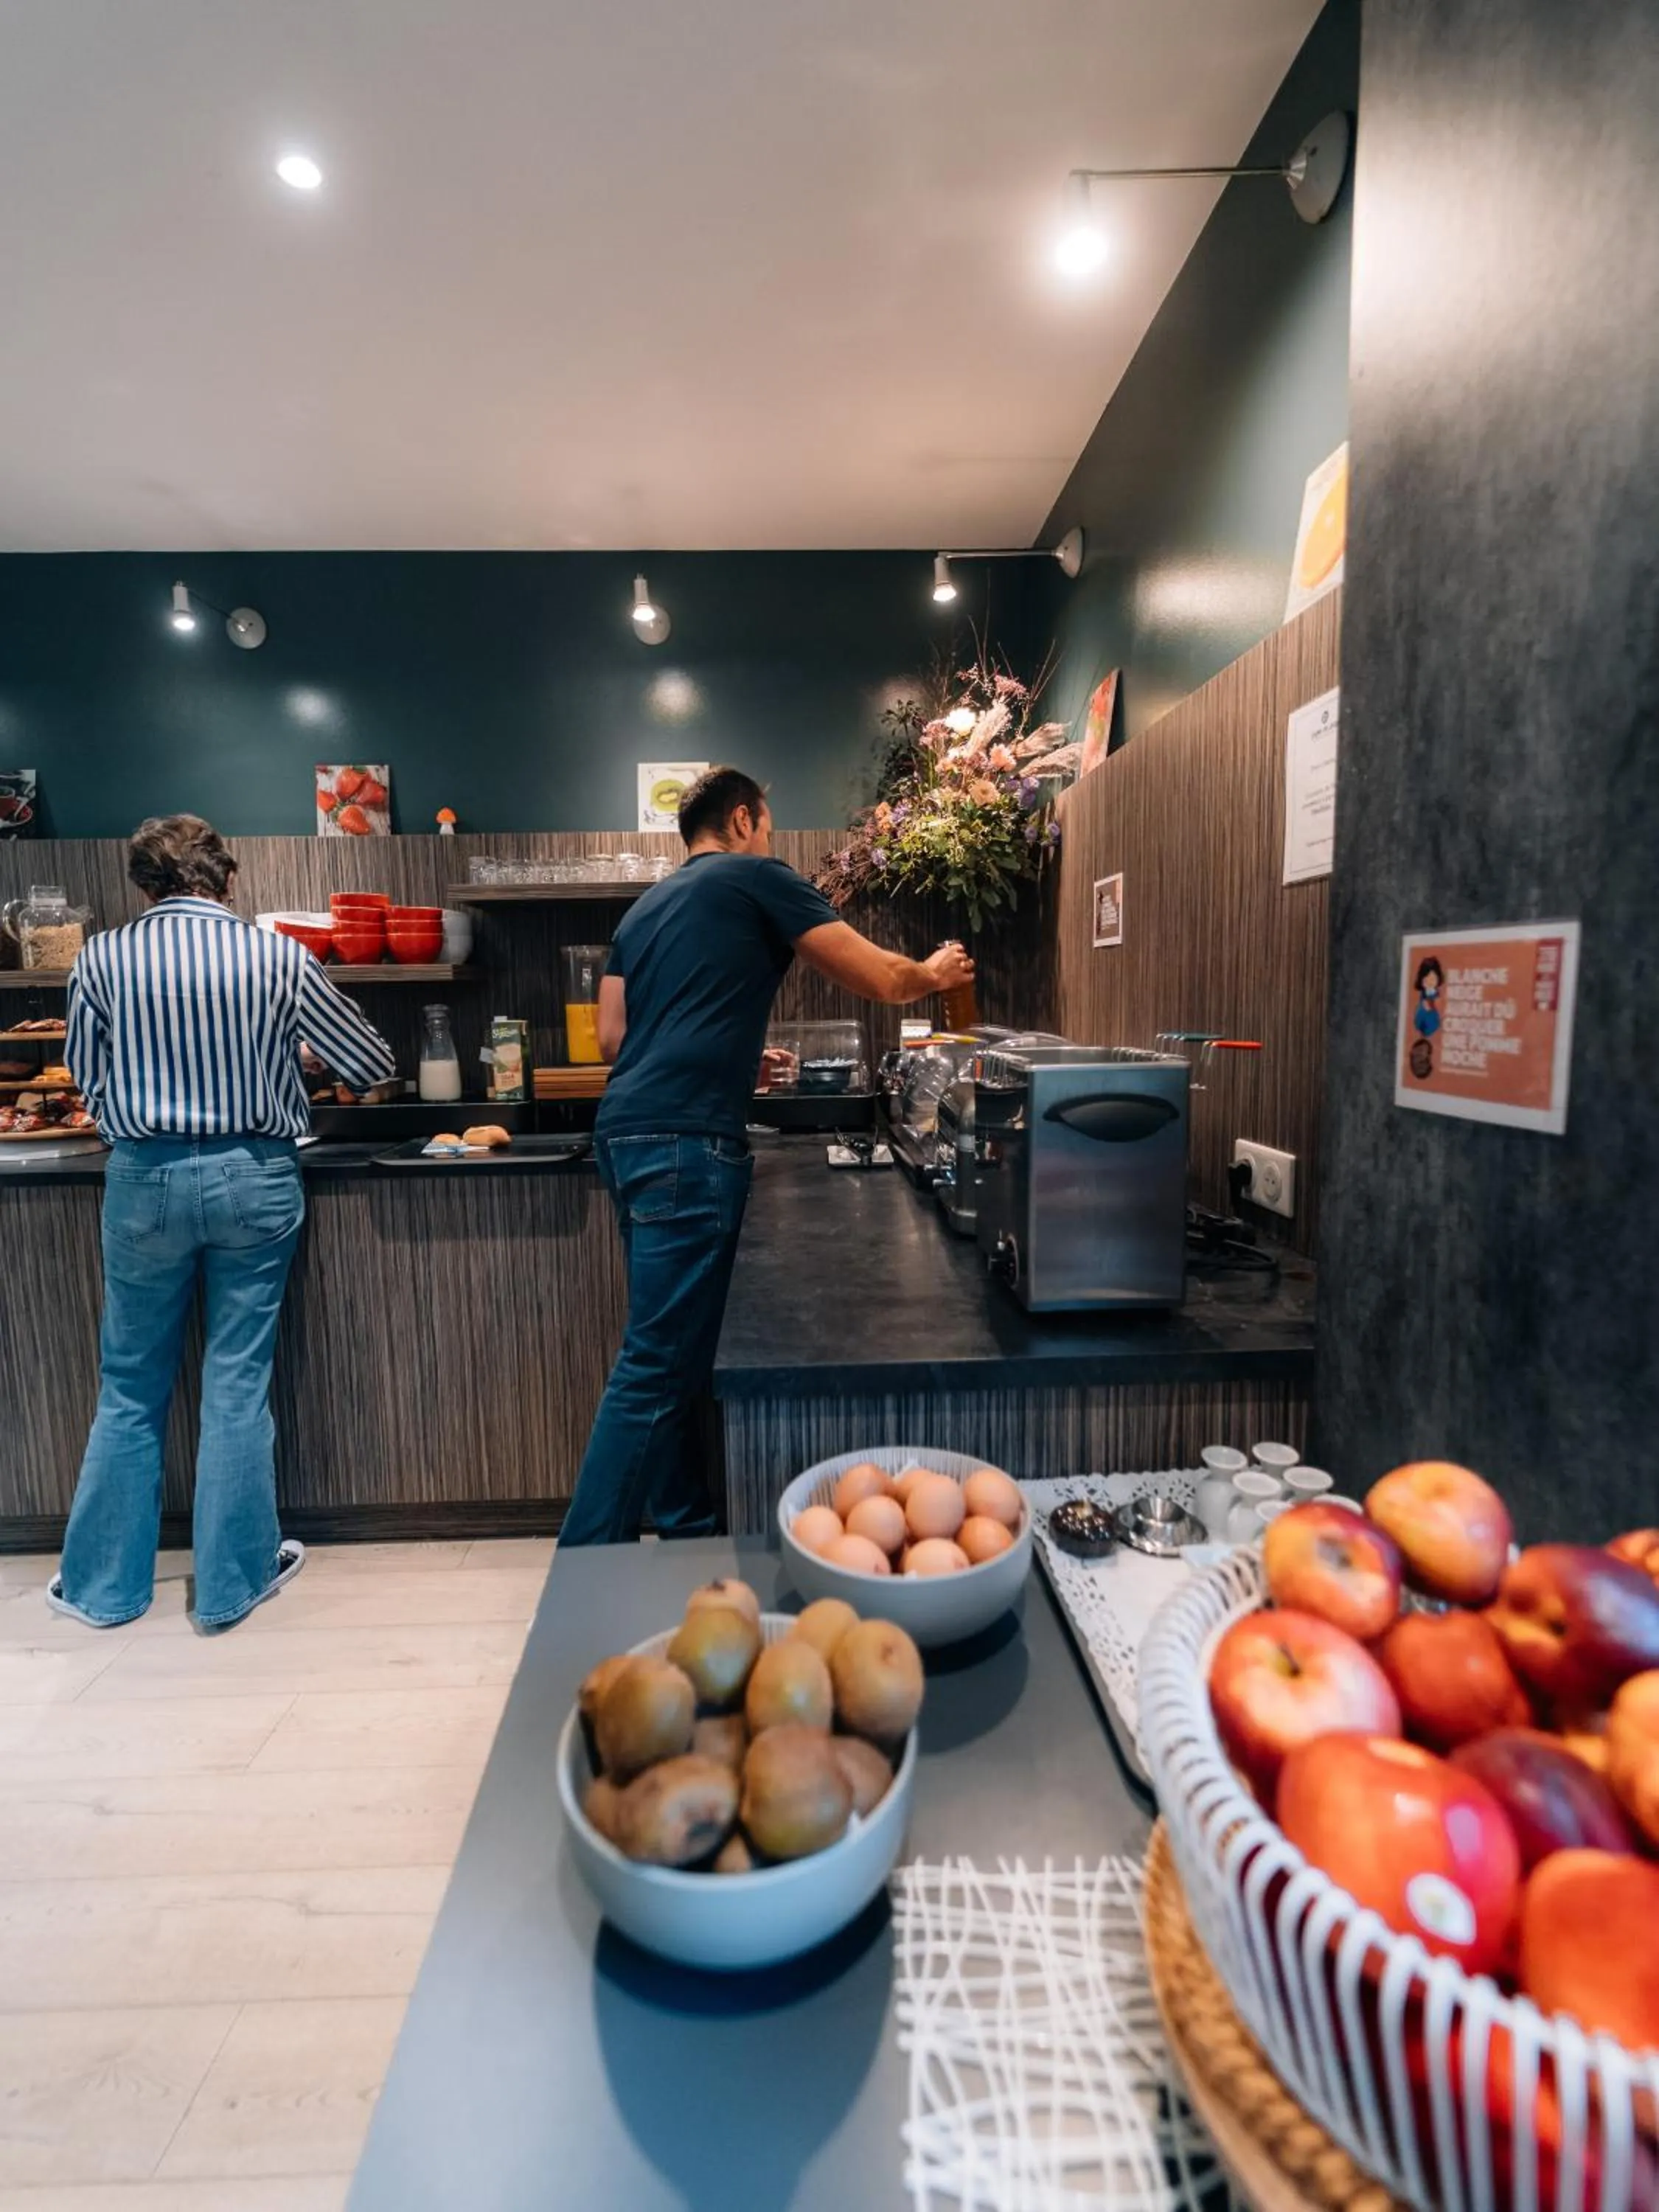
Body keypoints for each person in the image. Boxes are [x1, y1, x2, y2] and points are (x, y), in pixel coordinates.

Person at [559, 766, 975, 1547]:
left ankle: (686, 1525)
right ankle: (581, 1570)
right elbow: (879, 978)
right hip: (686, 1141)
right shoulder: (755, 876)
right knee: (654, 1362)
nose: (770, 835)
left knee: (673, 1350)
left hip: (627, 1134)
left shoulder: (643, 910)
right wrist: (935, 975)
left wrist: (730, 1061)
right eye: (770, 821)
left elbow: (618, 1041)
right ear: (745, 818)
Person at [51, 814, 395, 1631]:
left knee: (131, 1386)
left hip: (143, 1180)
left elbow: (88, 1079)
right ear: (227, 881)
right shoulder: (275, 957)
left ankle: (104, 1591)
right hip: (255, 1176)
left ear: (143, 887)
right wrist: (290, 1058)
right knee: (237, 1380)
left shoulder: (99, 958)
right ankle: (233, 1585)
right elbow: (371, 1063)